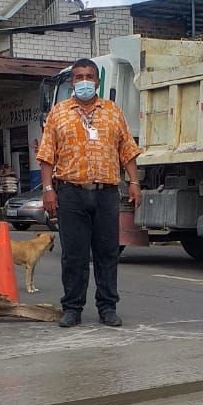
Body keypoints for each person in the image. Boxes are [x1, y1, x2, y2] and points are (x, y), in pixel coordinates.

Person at [37, 57, 141, 328]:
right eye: (79, 77)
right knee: (74, 255)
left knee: (107, 253)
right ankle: (72, 308)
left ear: (97, 81)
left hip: (106, 194)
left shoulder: (112, 112)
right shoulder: (58, 113)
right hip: (70, 193)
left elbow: (127, 150)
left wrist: (134, 182)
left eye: (89, 77)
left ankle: (108, 307)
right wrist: (48, 190)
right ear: (72, 82)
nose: (84, 81)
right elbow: (46, 155)